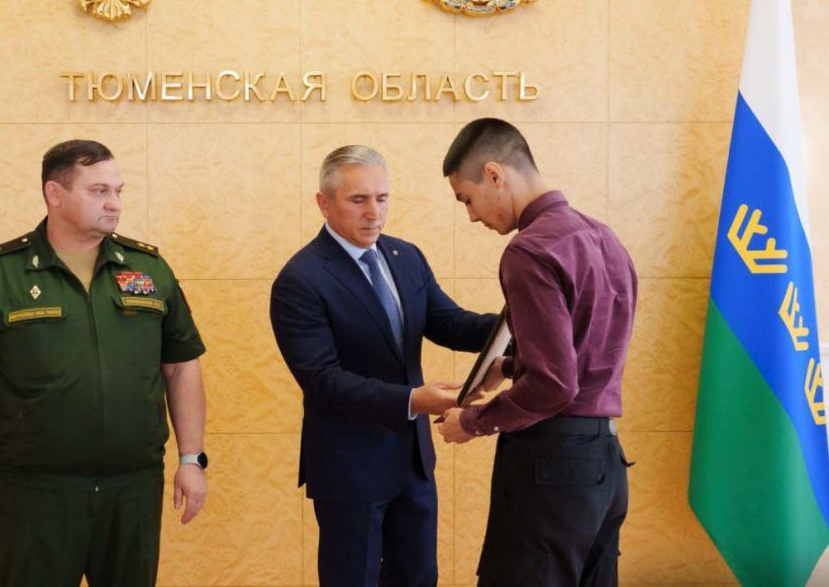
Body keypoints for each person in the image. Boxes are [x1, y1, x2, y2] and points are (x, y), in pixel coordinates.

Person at [0, 139, 208, 587]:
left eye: (118, 191)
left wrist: (192, 459)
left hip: (133, 488)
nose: (114, 203)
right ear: (54, 193)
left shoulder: (150, 269)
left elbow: (181, 366)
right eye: (99, 191)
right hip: (36, 493)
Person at [270, 145, 497, 587]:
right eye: (359, 200)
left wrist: (517, 322)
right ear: (324, 203)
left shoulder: (405, 256)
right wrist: (413, 400)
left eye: (382, 198)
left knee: (419, 578)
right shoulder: (301, 279)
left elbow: (450, 324)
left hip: (412, 464)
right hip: (349, 469)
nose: (374, 213)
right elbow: (323, 381)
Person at [437, 118, 637, 587]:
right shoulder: (605, 238)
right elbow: (586, 352)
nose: (472, 217)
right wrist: (508, 366)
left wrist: (473, 422)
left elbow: (555, 385)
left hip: (551, 465)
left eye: (466, 199)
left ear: (494, 174)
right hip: (604, 463)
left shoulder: (529, 250)